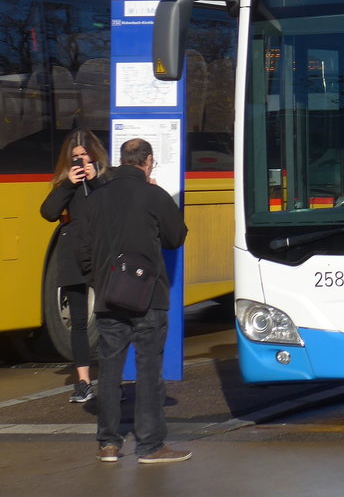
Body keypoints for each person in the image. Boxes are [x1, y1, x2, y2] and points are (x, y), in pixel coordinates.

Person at [75, 138, 190, 464]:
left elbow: (81, 249)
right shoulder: (154, 195)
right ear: (148, 161)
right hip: (148, 296)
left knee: (109, 370)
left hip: (109, 296)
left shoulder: (96, 199)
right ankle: (151, 446)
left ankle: (108, 444)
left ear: (121, 161)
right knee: (149, 369)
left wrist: (97, 279)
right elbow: (175, 236)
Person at [39, 129, 110, 404]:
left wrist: (97, 181)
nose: (80, 162)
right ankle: (83, 381)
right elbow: (47, 213)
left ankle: (112, 380)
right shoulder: (64, 184)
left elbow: (114, 208)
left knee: (109, 318)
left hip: (102, 255)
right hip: (73, 257)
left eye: (84, 156)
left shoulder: (107, 179)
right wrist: (69, 184)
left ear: (94, 155)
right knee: (79, 322)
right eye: (75, 157)